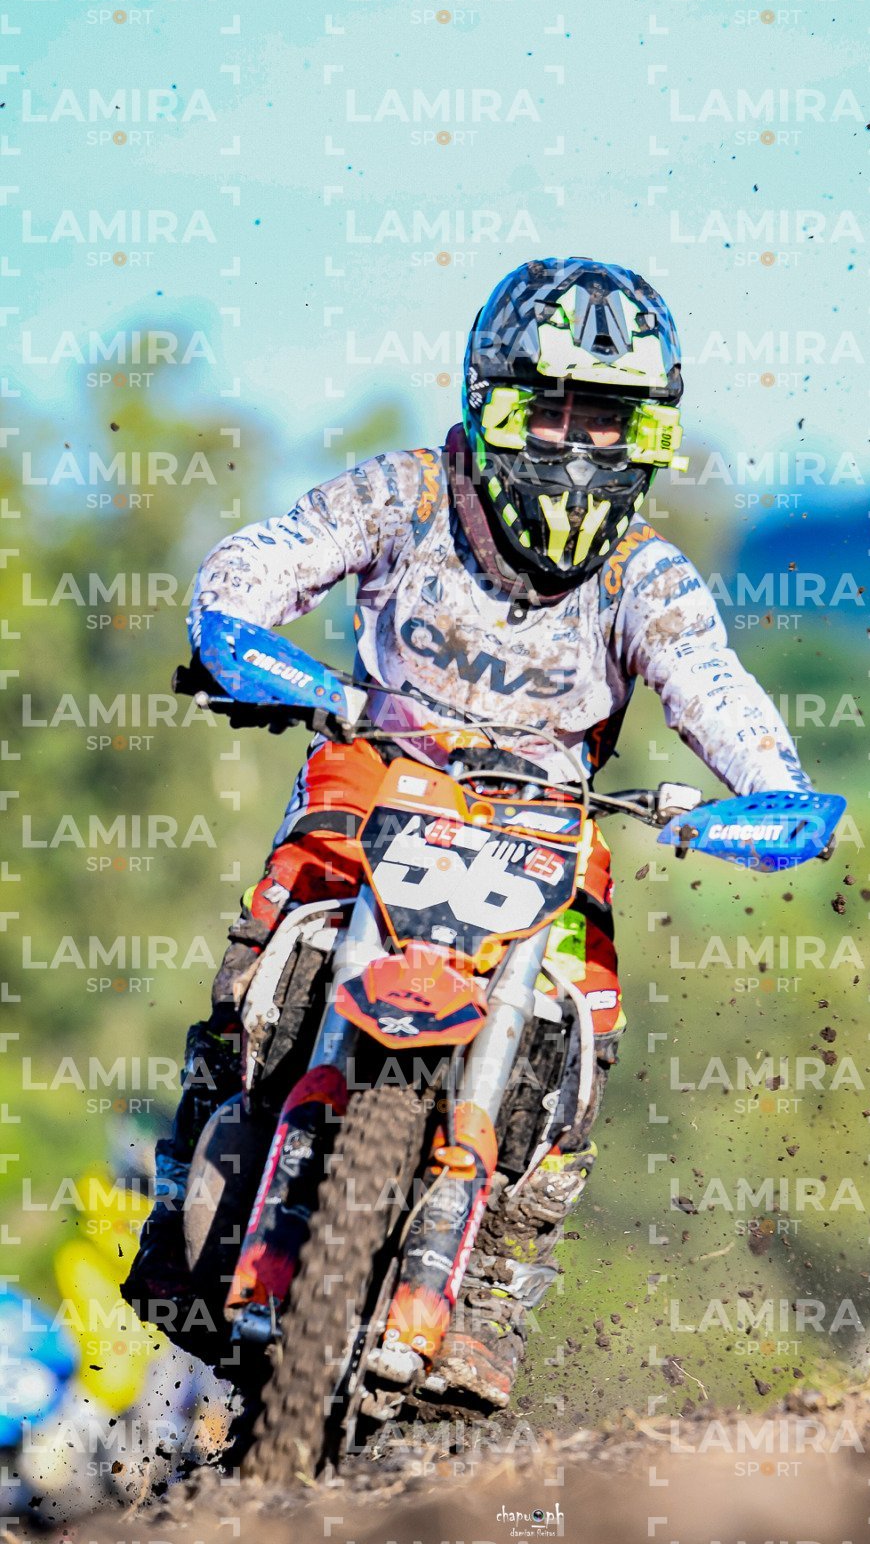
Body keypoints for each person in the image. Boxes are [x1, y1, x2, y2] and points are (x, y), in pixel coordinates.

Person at [122, 257, 816, 1409]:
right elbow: (272, 553)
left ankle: (495, 1279)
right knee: (271, 935)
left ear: (648, 431)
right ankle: (190, 1191)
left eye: (606, 418)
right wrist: (241, 629)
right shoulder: (405, 493)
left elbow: (712, 686)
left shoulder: (644, 574)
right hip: (380, 763)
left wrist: (773, 789)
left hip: (547, 814)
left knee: (587, 1019)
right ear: (491, 399)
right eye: (552, 410)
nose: (576, 444)